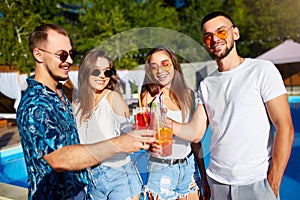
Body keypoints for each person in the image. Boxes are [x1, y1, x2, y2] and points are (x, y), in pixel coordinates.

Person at [16, 24, 156, 200]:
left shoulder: (60, 96)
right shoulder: (35, 104)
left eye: (71, 54)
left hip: (94, 186)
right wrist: (121, 143)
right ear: (38, 54)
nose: (69, 61)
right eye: (62, 55)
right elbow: (59, 159)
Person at [172, 11, 294, 199]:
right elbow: (196, 132)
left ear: (235, 33)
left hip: (257, 183)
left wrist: (273, 183)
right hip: (218, 182)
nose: (215, 39)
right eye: (208, 37)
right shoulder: (206, 84)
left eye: (221, 32)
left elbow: (284, 127)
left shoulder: (262, 70)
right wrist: (165, 123)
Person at [140, 45, 210, 200]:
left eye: (165, 64)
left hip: (188, 168)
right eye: (154, 67)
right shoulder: (149, 98)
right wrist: (150, 144)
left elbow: (195, 141)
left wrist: (203, 176)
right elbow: (144, 138)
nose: (160, 70)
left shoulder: (188, 94)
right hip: (161, 169)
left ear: (174, 65)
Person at [73, 49, 143, 199]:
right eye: (96, 71)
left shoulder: (113, 98)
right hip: (93, 180)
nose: (102, 77)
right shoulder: (76, 105)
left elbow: (129, 138)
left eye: (107, 72)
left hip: (120, 177)